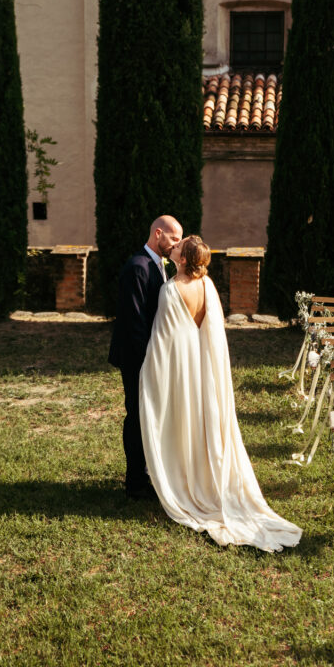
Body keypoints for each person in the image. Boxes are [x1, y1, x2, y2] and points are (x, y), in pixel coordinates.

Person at [139, 235, 302, 552]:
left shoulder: (171, 291)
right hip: (205, 373)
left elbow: (162, 344)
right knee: (204, 427)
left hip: (183, 374)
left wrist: (148, 376)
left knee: (185, 426)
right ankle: (206, 478)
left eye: (178, 245)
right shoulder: (208, 287)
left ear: (183, 259)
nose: (172, 245)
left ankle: (189, 484)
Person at [109, 215, 183, 499]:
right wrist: (149, 361)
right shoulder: (138, 267)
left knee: (146, 415)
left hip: (149, 356)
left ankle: (145, 473)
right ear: (158, 233)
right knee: (136, 415)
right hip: (136, 357)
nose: (176, 244)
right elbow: (134, 322)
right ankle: (135, 481)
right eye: (174, 238)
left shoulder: (158, 264)